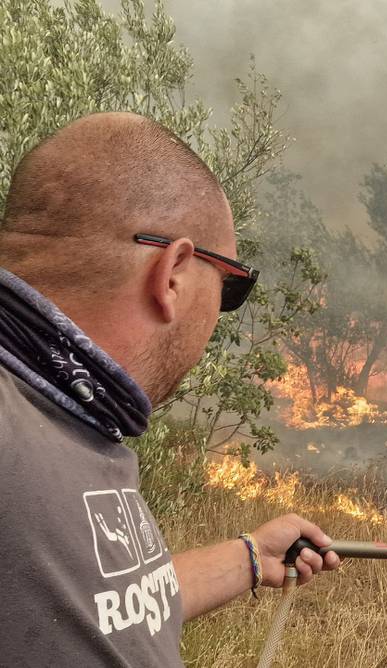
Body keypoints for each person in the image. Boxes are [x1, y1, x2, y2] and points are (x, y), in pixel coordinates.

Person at [0, 112, 340, 666]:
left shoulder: (70, 411)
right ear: (174, 273)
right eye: (230, 290)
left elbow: (103, 605)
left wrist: (249, 557)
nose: (219, 317)